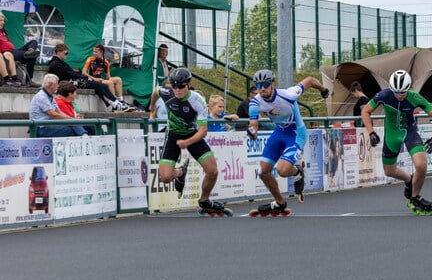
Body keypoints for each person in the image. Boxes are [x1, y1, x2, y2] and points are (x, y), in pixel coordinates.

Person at [148, 67, 231, 216]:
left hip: (193, 135)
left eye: (181, 86)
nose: (177, 90)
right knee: (165, 177)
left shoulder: (197, 101)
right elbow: (155, 91)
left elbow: (203, 131)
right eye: (174, 86)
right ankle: (180, 172)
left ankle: (204, 200)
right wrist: (152, 108)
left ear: (189, 84)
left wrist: (188, 142)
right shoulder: (167, 93)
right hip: (173, 135)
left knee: (212, 171)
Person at [246, 69, 330, 216]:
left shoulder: (289, 94)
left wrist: (323, 89)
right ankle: (279, 202)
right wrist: (252, 132)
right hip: (279, 132)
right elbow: (253, 123)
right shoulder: (255, 102)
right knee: (263, 172)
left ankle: (297, 172)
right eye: (258, 86)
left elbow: (309, 80)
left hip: (296, 133)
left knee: (283, 170)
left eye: (265, 84)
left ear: (273, 84)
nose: (262, 88)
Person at [362, 69, 432, 214]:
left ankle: (415, 198)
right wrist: (371, 132)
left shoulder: (414, 97)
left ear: (409, 88)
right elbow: (365, 111)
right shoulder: (384, 95)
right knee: (389, 171)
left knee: (421, 165)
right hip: (392, 135)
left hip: (409, 132)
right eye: (396, 92)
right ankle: (408, 180)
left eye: (402, 92)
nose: (399, 95)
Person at [47, 43, 132, 112]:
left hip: (71, 81)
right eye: (65, 53)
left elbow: (71, 73)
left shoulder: (59, 63)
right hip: (68, 82)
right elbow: (70, 73)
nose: (67, 55)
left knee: (100, 85)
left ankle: (116, 103)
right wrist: (85, 77)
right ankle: (116, 104)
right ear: (58, 52)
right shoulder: (55, 64)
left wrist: (83, 76)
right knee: (97, 85)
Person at [0, 12, 39, 86]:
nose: (3, 22)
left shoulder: (3, 31)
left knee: (33, 42)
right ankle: (28, 53)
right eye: (1, 20)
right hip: (7, 53)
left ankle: (30, 50)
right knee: (31, 56)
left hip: (15, 51)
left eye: (3, 20)